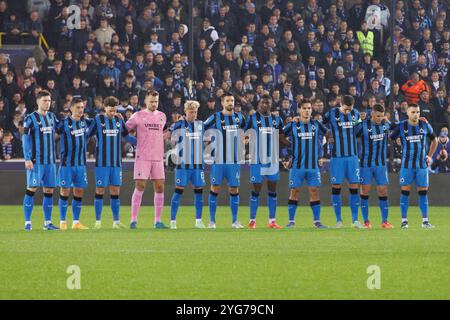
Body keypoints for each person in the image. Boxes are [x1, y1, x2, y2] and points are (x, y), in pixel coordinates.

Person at [391, 103, 438, 229]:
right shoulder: (401, 126)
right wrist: (397, 140)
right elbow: (392, 137)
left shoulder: (424, 125)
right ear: (407, 113)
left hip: (422, 165)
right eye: (413, 112)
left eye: (417, 112)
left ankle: (425, 221)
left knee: (423, 193)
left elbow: (435, 140)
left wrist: (430, 156)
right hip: (407, 166)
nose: (416, 114)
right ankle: (404, 221)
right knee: (405, 193)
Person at [126, 90, 168, 229]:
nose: (154, 103)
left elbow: (164, 133)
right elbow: (124, 131)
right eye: (151, 101)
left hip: (157, 157)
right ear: (146, 101)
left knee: (160, 187)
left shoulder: (162, 116)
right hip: (142, 157)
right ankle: (133, 220)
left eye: (156, 101)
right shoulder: (138, 115)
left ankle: (157, 221)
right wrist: (134, 141)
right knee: (140, 186)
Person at [204, 93, 246, 228]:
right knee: (215, 188)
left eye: (232, 100)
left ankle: (235, 221)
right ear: (222, 103)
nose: (230, 102)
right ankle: (212, 221)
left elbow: (248, 131)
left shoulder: (240, 117)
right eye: (228, 100)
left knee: (234, 189)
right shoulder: (215, 117)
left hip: (234, 160)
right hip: (219, 159)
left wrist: (244, 140)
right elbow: (201, 128)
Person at [283, 99, 328, 229]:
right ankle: (291, 221)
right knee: (294, 192)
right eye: (305, 108)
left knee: (315, 191)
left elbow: (328, 136)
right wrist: (286, 157)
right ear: (299, 110)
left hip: (313, 166)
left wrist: (322, 155)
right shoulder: (292, 125)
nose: (307, 110)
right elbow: (280, 137)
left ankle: (317, 222)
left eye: (309, 108)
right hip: (297, 166)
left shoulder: (316, 124)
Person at [245, 95, 287, 229]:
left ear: (271, 104)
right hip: (257, 159)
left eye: (267, 103)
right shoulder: (252, 118)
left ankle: (272, 221)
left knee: (272, 189)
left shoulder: (277, 119)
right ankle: (252, 220)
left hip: (273, 160)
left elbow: (282, 138)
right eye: (263, 102)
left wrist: (289, 150)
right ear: (259, 104)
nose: (265, 105)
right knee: (256, 188)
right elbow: (244, 135)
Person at [87, 96, 129, 229]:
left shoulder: (119, 120)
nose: (112, 113)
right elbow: (87, 135)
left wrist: (141, 144)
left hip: (116, 163)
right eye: (110, 110)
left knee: (115, 191)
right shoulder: (98, 120)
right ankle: (98, 221)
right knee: (100, 190)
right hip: (101, 163)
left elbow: (127, 136)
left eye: (114, 110)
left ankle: (116, 222)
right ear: (104, 108)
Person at [323, 95, 362, 228]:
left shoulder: (356, 113)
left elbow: (359, 129)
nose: (348, 112)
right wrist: (328, 135)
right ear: (341, 104)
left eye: (350, 109)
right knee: (336, 187)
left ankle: (355, 220)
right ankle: (338, 220)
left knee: (354, 187)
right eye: (346, 109)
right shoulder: (331, 113)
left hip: (352, 157)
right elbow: (320, 125)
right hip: (337, 157)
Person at [22, 90, 59, 231]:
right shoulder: (30, 119)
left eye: (49, 101)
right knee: (31, 189)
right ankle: (27, 222)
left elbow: (59, 131)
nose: (47, 103)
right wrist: (27, 159)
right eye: (45, 100)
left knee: (49, 190)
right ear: (38, 101)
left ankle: (47, 223)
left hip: (50, 161)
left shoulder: (52, 117)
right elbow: (25, 139)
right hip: (36, 161)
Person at [168, 100, 206, 229]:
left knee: (199, 193)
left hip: (197, 165)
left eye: (195, 112)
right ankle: (173, 221)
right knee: (178, 191)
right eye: (191, 112)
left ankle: (198, 221)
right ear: (185, 112)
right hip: (182, 165)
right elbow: (169, 137)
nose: (193, 114)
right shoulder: (178, 124)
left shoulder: (201, 124)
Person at [355, 103, 393, 229]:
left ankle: (385, 221)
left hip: (381, 165)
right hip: (366, 165)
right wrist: (359, 119)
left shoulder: (385, 124)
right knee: (365, 192)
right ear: (372, 113)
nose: (379, 118)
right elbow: (351, 133)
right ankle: (366, 221)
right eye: (377, 116)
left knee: (383, 191)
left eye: (382, 116)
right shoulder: (363, 125)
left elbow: (396, 127)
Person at [56, 98, 90, 230]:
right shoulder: (63, 123)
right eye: (78, 107)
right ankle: (62, 221)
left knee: (79, 191)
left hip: (80, 164)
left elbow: (100, 123)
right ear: (71, 108)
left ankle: (76, 222)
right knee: (65, 191)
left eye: (82, 107)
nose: (80, 110)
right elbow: (52, 137)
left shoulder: (85, 122)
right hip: (67, 164)